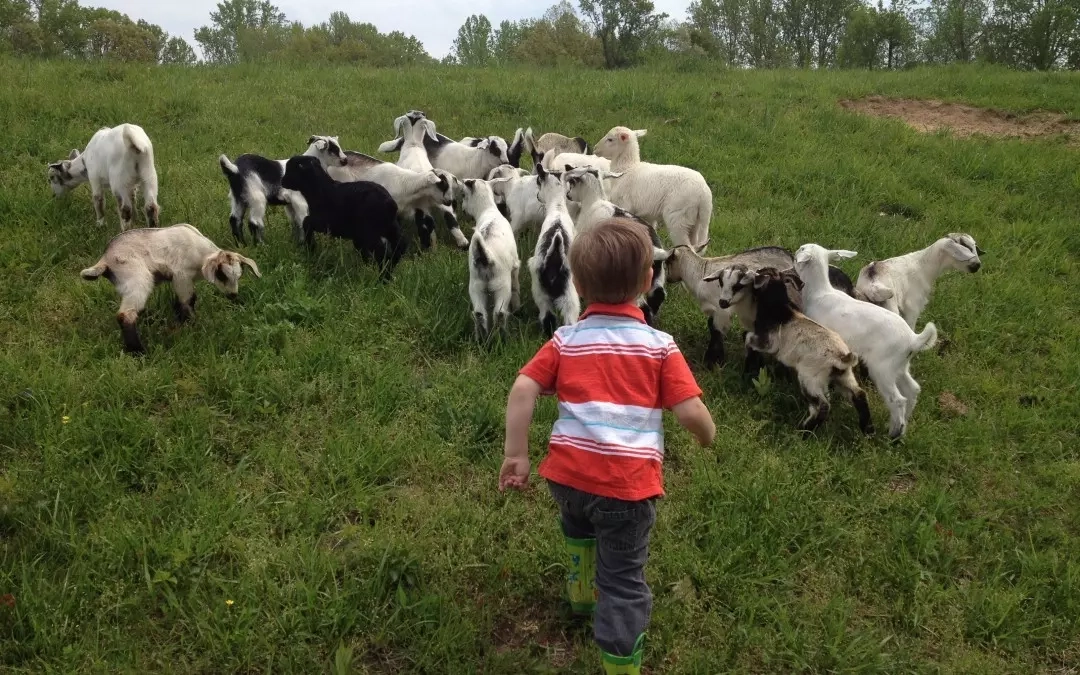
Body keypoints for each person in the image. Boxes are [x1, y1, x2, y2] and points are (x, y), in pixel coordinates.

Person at [499, 218, 716, 675]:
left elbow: (523, 388)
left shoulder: (565, 340)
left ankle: (580, 594)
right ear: (647, 280)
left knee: (578, 529)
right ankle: (619, 663)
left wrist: (517, 453)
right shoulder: (659, 346)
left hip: (568, 479)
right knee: (622, 580)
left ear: (577, 282)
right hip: (626, 490)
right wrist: (706, 435)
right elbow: (690, 411)